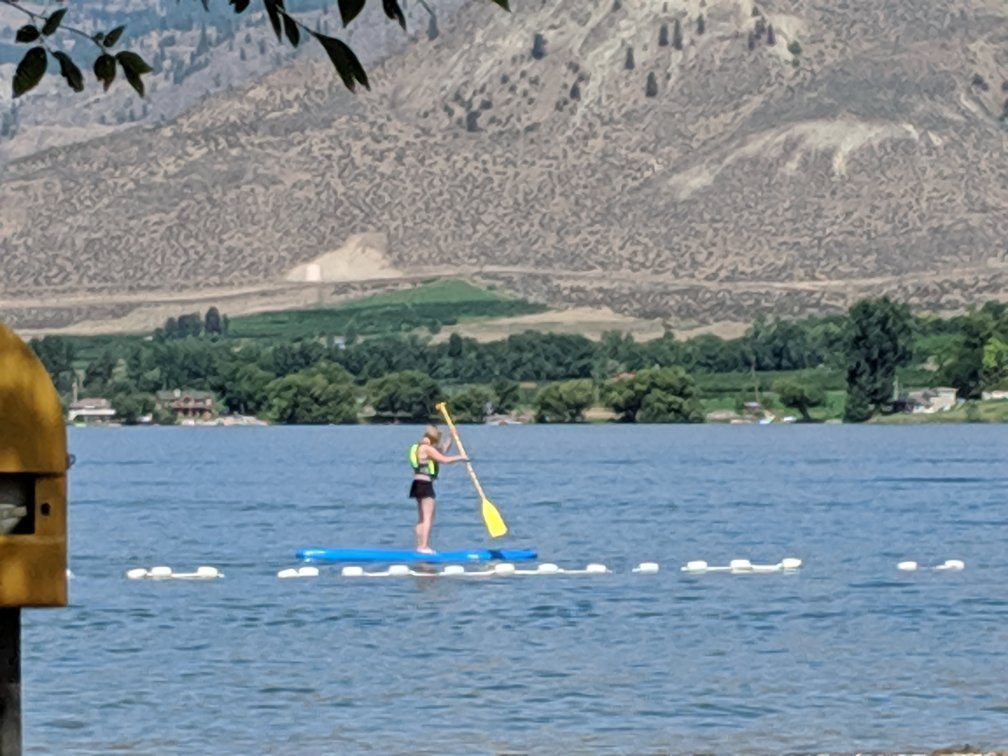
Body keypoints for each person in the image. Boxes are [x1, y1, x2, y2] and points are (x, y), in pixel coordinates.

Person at [408, 424, 466, 553]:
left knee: (422, 517)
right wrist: (461, 457)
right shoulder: (427, 449)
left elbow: (442, 450)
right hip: (425, 484)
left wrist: (452, 436)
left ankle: (419, 546)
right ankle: (424, 547)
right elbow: (445, 460)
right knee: (428, 517)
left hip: (416, 484)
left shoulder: (419, 448)